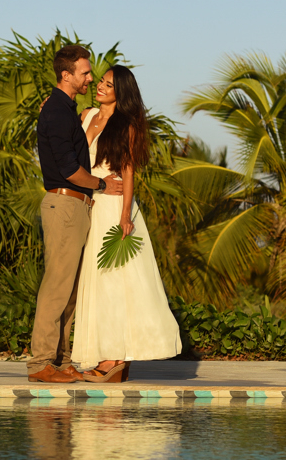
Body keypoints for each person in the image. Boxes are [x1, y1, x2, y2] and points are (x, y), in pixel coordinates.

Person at [71, 65, 182, 382]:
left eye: (108, 84)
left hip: (115, 206)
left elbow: (129, 172)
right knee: (97, 281)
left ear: (122, 91)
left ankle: (114, 358)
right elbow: (76, 154)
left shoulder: (128, 126)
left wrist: (124, 217)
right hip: (92, 200)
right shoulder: (88, 115)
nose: (100, 87)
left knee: (115, 282)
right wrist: (89, 128)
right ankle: (109, 357)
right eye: (101, 82)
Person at [27, 45, 124, 383]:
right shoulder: (56, 111)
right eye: (84, 72)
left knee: (68, 290)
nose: (90, 77)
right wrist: (101, 184)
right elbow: (69, 169)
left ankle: (61, 360)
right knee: (56, 286)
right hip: (65, 202)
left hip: (75, 206)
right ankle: (40, 362)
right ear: (66, 75)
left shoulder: (66, 110)